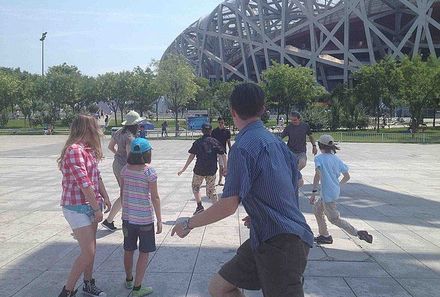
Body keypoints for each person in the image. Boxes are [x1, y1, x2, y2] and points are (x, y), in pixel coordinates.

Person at [172, 83, 313, 297]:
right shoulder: (276, 143)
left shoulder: (243, 147)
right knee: (220, 287)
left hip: (281, 243)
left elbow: (228, 205)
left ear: (232, 111)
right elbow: (297, 183)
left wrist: (188, 223)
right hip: (269, 235)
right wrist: (261, 210)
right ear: (263, 109)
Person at [57, 114, 112, 297]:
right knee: (88, 252)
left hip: (90, 204)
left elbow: (96, 176)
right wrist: (97, 208)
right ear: (87, 128)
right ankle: (67, 291)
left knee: (91, 250)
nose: (99, 130)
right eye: (96, 127)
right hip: (76, 206)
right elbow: (84, 183)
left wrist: (105, 196)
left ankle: (88, 283)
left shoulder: (87, 149)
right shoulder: (74, 150)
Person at [310, 134, 373, 245]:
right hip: (332, 192)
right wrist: (337, 185)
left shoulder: (319, 158)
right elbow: (347, 176)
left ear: (320, 146)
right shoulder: (336, 159)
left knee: (334, 219)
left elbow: (317, 175)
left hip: (328, 195)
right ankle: (324, 235)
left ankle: (358, 233)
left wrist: (313, 192)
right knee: (317, 210)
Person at [120, 138, 162, 297]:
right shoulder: (149, 172)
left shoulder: (125, 170)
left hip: (128, 218)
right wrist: (159, 219)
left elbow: (122, 192)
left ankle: (129, 279)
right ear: (147, 154)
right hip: (144, 219)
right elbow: (155, 197)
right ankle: (138, 288)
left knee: (128, 249)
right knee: (144, 252)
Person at [102, 110, 144, 231]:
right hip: (126, 167)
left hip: (116, 164)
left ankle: (116, 220)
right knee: (125, 194)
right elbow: (130, 156)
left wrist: (118, 155)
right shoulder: (130, 138)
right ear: (135, 125)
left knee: (125, 193)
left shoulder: (119, 132)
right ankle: (110, 220)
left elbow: (110, 147)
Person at [178, 122, 226, 215]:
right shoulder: (215, 142)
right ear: (211, 131)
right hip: (211, 170)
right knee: (211, 190)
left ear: (202, 131)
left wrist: (184, 169)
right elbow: (223, 155)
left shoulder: (198, 142)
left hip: (199, 170)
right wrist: (226, 167)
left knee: (195, 187)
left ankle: (199, 206)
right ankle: (217, 209)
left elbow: (191, 156)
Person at [211, 117, 232, 186]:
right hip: (214, 151)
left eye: (222, 122)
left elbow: (228, 142)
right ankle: (211, 180)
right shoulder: (214, 131)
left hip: (222, 152)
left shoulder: (227, 131)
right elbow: (211, 141)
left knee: (221, 167)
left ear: (224, 123)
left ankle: (220, 180)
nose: (221, 124)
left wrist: (230, 150)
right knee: (213, 166)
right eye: (219, 122)